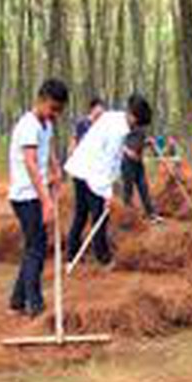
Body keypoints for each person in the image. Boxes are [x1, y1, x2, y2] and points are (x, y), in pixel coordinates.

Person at [65, 94, 153, 267]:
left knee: (81, 214)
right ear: (133, 116)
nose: (136, 126)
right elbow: (106, 162)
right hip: (91, 172)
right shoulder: (118, 130)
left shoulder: (113, 117)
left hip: (81, 168)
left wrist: (113, 184)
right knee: (99, 216)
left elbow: (114, 159)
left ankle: (72, 252)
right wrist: (107, 194)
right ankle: (102, 257)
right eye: (137, 122)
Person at [7, 79, 69, 317]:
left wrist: (55, 168)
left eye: (59, 111)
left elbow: (48, 149)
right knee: (37, 249)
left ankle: (17, 301)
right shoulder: (28, 125)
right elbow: (31, 163)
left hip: (36, 192)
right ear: (41, 100)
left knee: (35, 247)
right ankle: (35, 304)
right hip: (26, 196)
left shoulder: (45, 124)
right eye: (53, 108)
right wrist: (46, 201)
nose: (55, 114)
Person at [121, 124, 160, 223]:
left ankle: (151, 214)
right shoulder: (126, 129)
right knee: (128, 190)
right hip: (127, 164)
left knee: (144, 188)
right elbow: (120, 143)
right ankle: (127, 217)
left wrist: (149, 143)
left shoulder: (142, 131)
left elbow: (142, 143)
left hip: (138, 164)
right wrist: (127, 151)